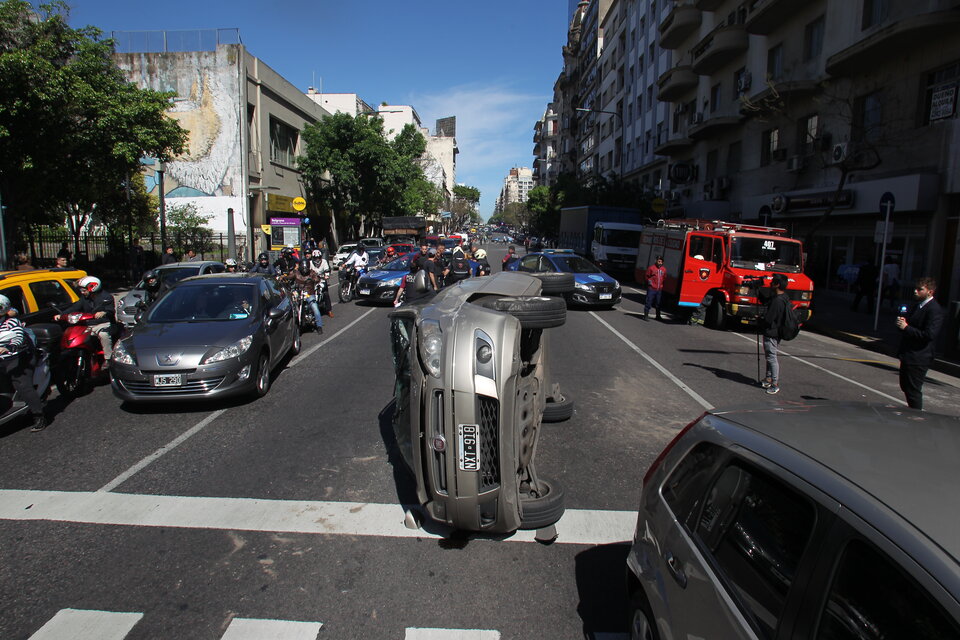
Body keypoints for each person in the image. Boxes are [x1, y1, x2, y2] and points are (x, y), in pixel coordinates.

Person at [896, 277, 944, 410]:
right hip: (908, 353)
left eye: (920, 289)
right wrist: (902, 324)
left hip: (919, 356)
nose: (915, 291)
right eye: (915, 288)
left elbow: (929, 335)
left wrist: (906, 328)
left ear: (930, 292)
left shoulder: (934, 310)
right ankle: (913, 410)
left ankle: (916, 414)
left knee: (913, 389)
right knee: (905, 385)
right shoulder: (917, 305)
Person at [0, 295, 46, 431]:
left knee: (21, 384)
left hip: (18, 358)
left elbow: (18, 336)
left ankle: (39, 416)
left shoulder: (11, 322)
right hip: (2, 359)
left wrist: (9, 347)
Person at [54, 275, 119, 364]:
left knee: (103, 335)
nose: (82, 292)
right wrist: (61, 315)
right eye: (81, 290)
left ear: (93, 288)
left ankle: (108, 359)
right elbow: (75, 307)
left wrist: (103, 313)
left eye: (84, 290)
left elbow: (110, 310)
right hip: (88, 324)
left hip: (103, 323)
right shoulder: (85, 298)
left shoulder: (106, 297)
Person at [760, 274, 790, 395]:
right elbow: (766, 301)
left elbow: (769, 318)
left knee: (771, 357)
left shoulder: (777, 301)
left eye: (772, 282)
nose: (770, 284)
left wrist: (760, 319)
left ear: (777, 284)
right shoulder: (783, 297)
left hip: (772, 332)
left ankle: (774, 383)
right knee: (769, 356)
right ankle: (768, 378)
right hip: (776, 332)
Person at [292, 258, 324, 333]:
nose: (304, 268)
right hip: (299, 293)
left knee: (315, 307)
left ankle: (319, 326)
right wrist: (281, 278)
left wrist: (314, 279)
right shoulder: (296, 273)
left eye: (306, 267)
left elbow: (317, 279)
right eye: (303, 267)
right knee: (291, 306)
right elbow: (289, 277)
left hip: (309, 294)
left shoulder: (312, 273)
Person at [643, 255, 666, 320]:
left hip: (659, 289)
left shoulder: (664, 269)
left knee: (658, 303)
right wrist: (650, 283)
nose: (659, 262)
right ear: (656, 261)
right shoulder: (651, 268)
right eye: (658, 261)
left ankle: (658, 316)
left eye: (661, 261)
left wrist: (661, 286)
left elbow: (664, 278)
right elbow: (646, 276)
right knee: (649, 302)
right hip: (652, 289)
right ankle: (646, 315)